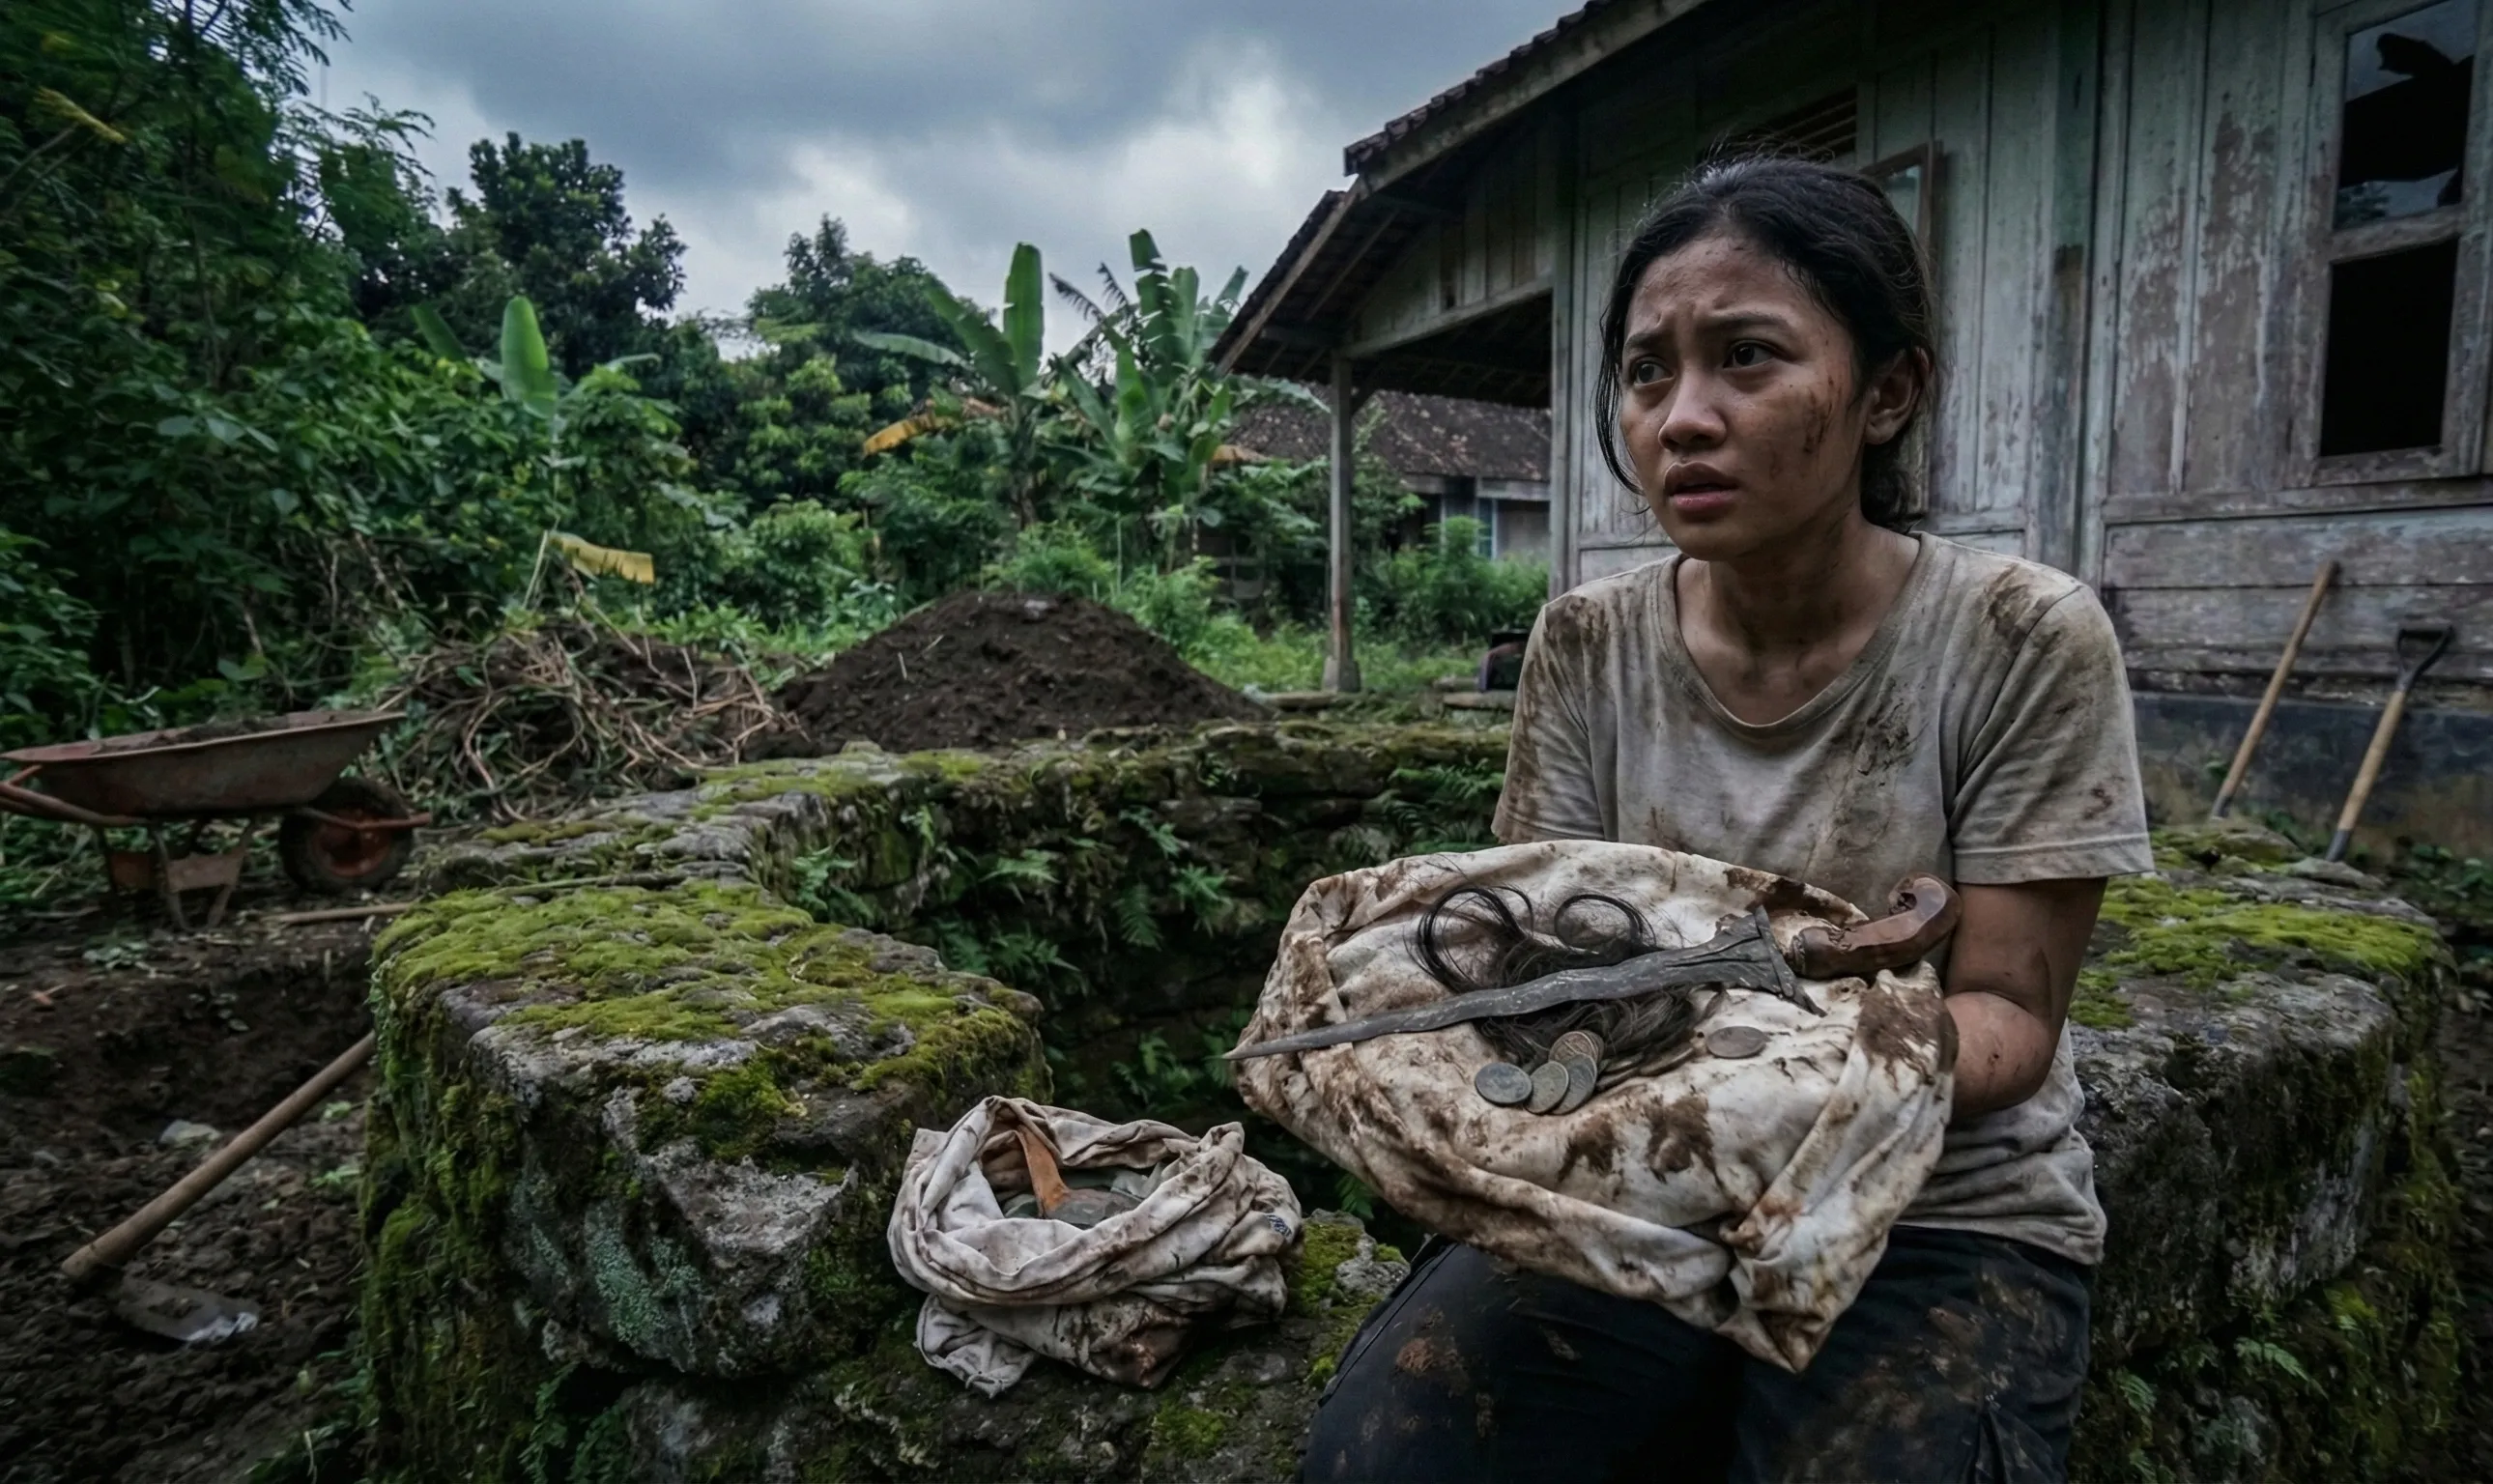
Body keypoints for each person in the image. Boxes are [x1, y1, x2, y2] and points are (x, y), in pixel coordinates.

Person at [1300, 156, 2152, 1483]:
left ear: (1887, 393)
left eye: (1748, 357)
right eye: (1649, 372)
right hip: (1632, 1173)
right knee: (1385, 1462)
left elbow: (2009, 1019)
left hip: (1932, 1206)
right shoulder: (1587, 643)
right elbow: (1537, 944)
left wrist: (1770, 1066)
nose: (1683, 418)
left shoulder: (2018, 637)